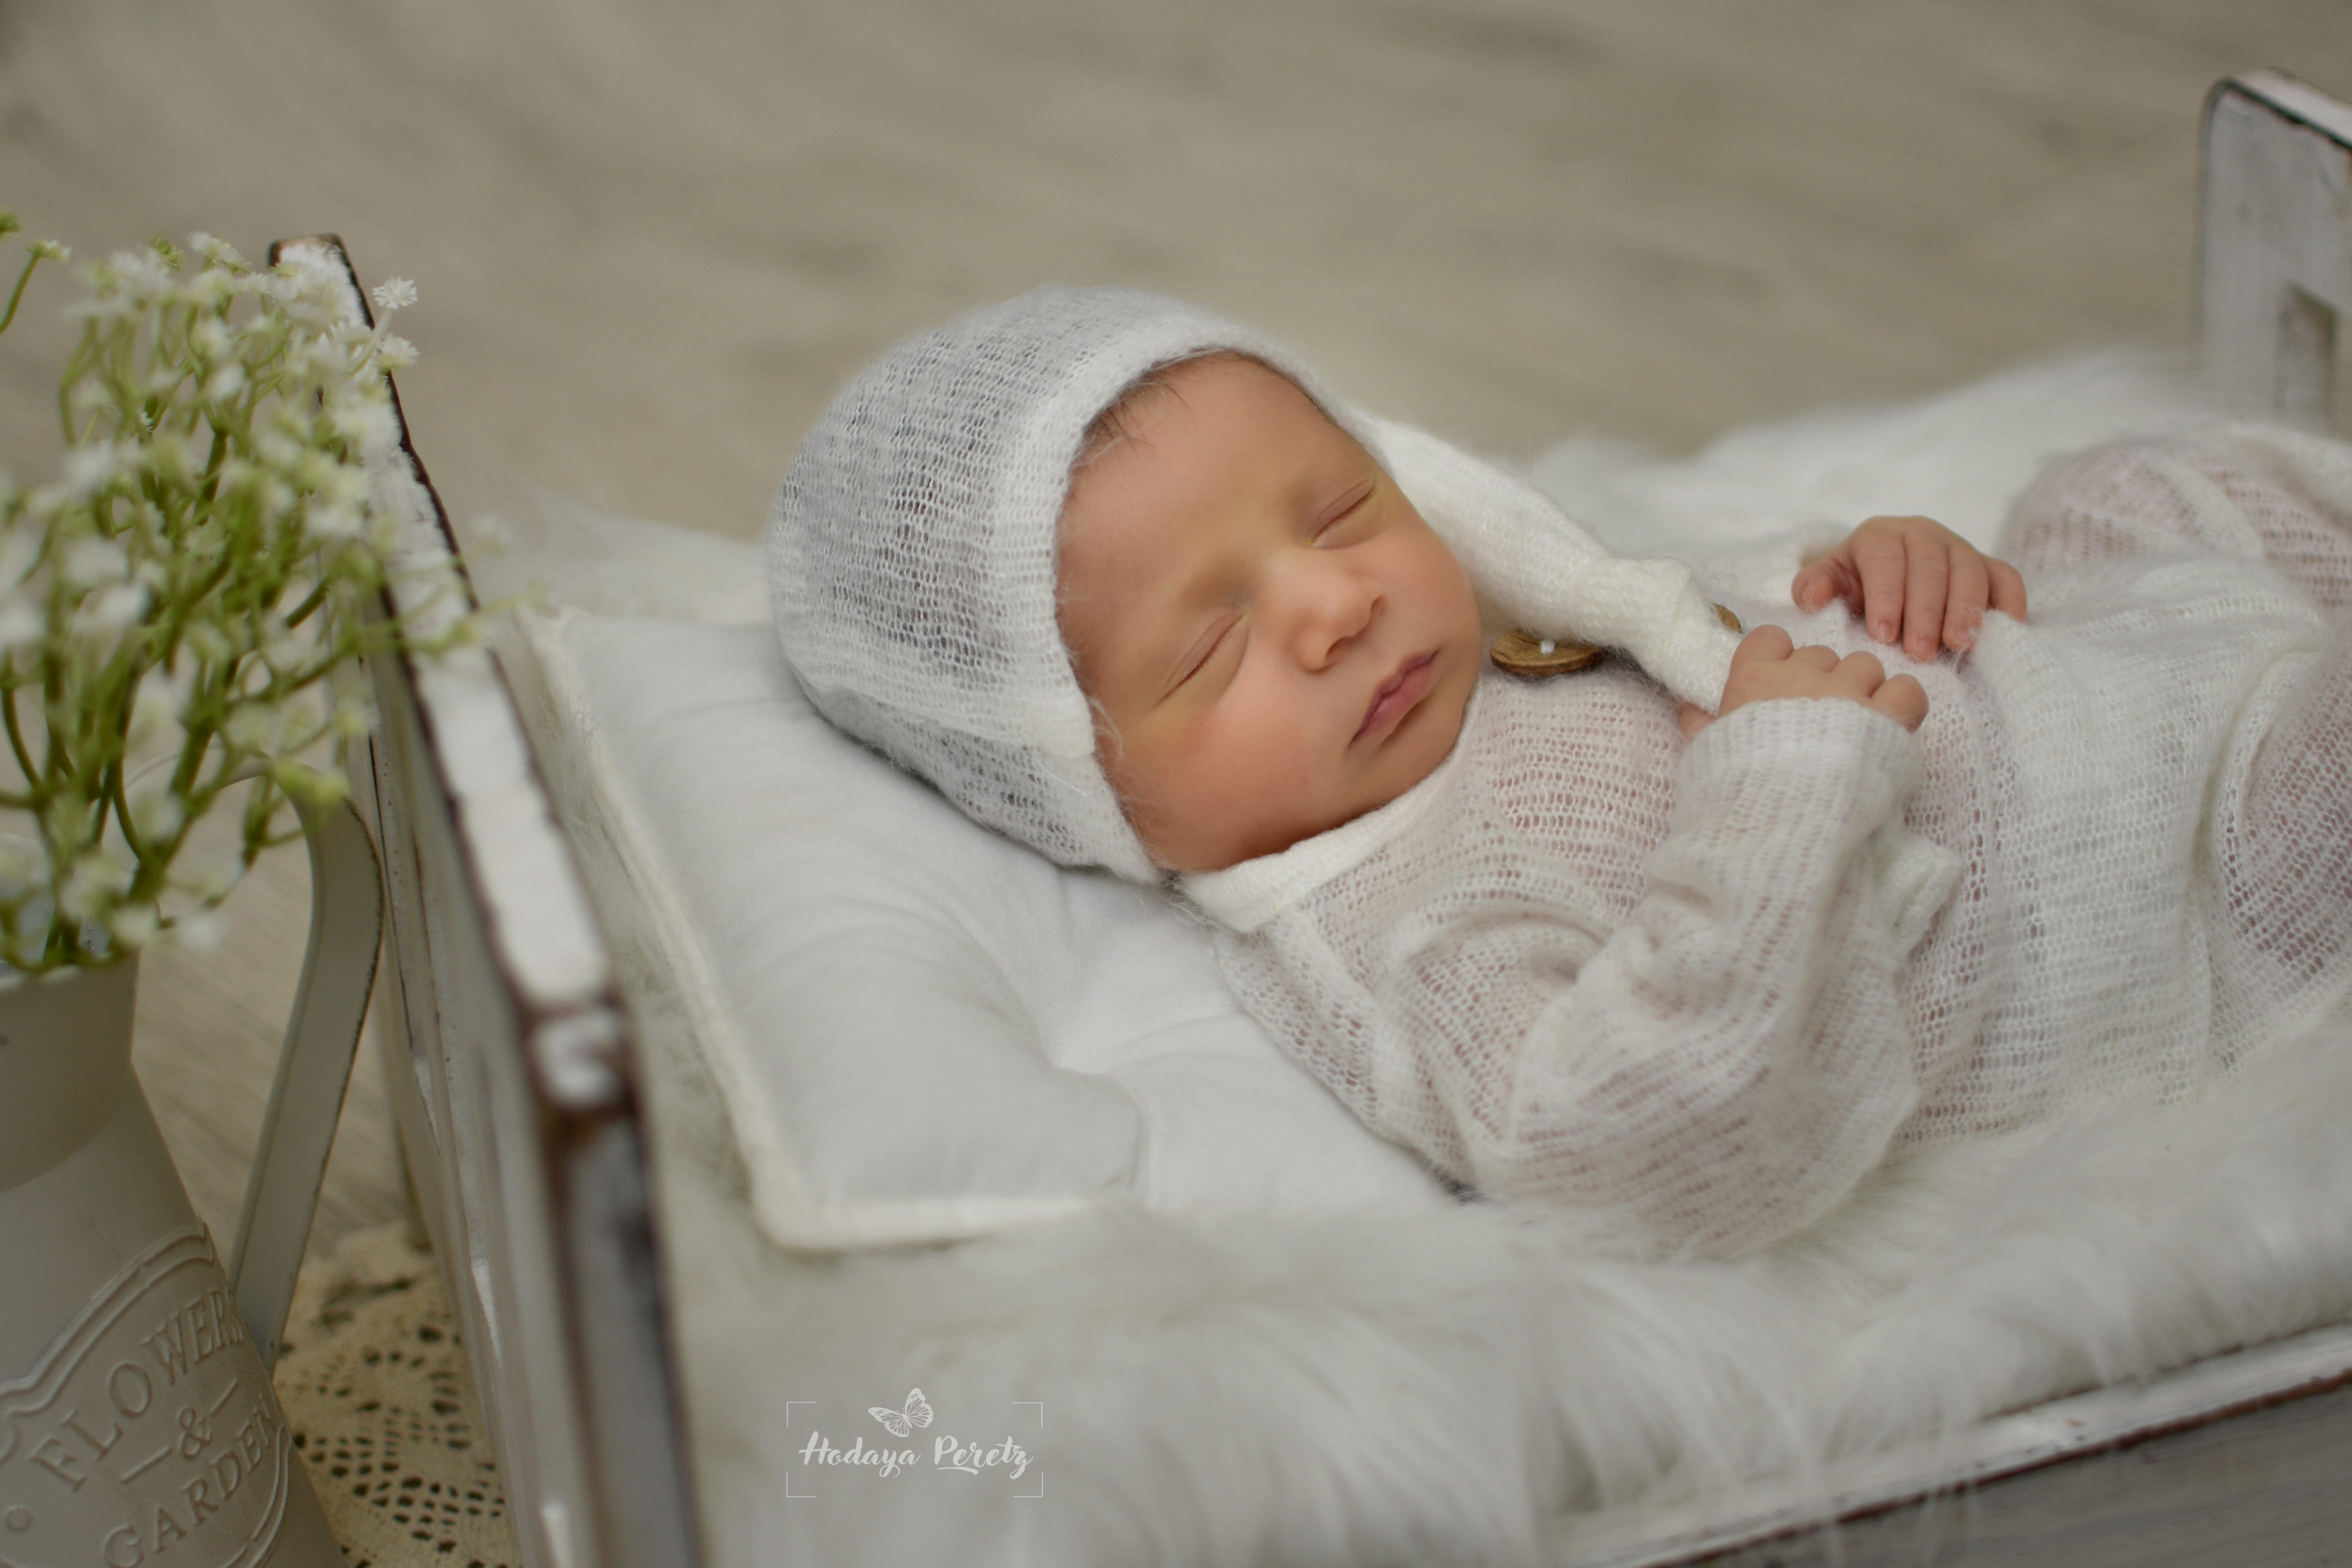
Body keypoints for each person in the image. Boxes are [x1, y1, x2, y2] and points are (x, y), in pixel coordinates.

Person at [769, 285, 2352, 1257]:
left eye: (1340, 510)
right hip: (2188, 875)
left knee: (2126, 483)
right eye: (1209, 646)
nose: (1335, 603)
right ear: (1087, 795)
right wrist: (1785, 781)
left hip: (2096, 653)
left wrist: (1880, 569)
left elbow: (1721, 607)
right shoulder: (1406, 921)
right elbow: (1639, 1142)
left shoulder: (1524, 617)